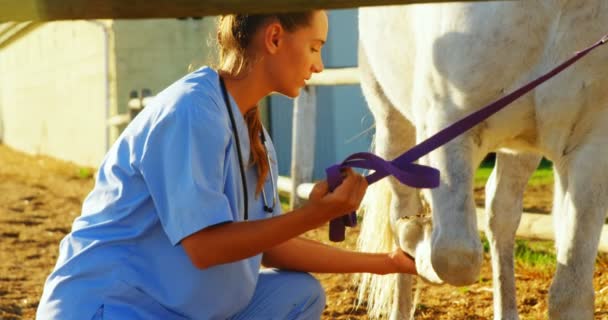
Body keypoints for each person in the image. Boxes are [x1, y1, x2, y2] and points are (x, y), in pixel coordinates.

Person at [36, 10, 416, 320]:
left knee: (298, 295)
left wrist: (391, 263)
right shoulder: (192, 111)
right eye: (315, 47)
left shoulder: (254, 132)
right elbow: (205, 248)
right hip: (111, 307)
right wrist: (316, 215)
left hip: (173, 308)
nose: (318, 65)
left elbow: (272, 248)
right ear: (274, 38)